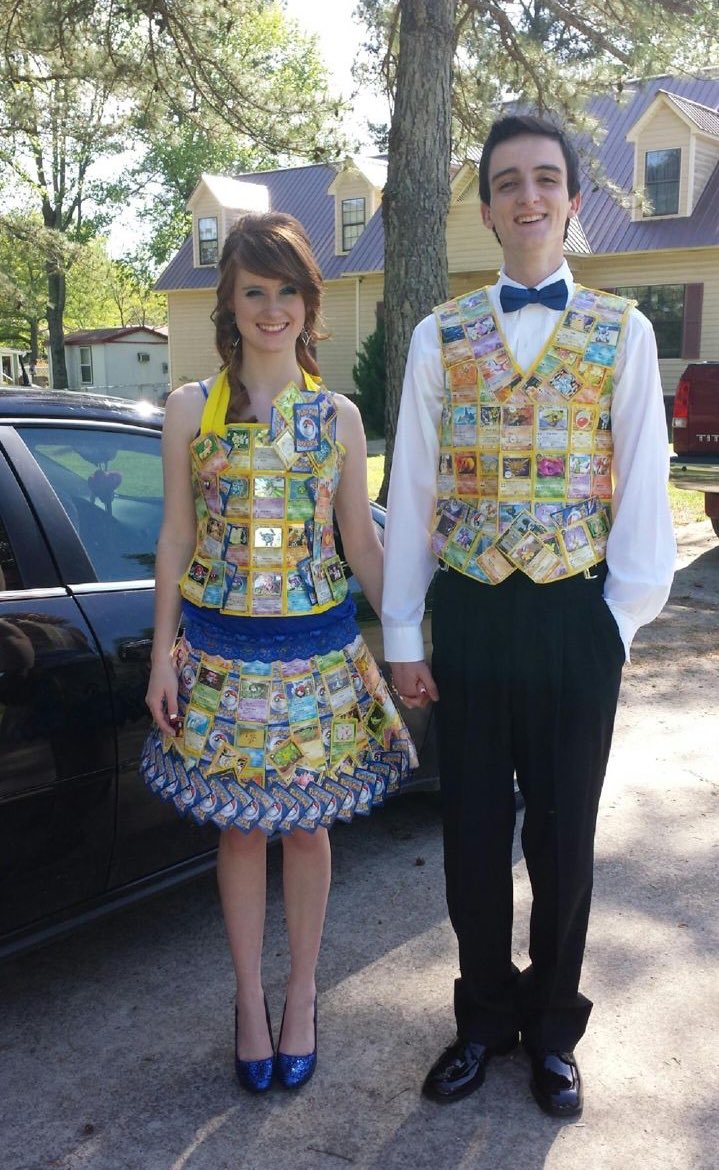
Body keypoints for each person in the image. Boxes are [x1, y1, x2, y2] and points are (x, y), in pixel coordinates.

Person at [381, 115, 675, 1117]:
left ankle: (551, 1031)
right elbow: (412, 488)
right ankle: (480, 1022)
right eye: (507, 181)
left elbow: (642, 485)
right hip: (468, 611)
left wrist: (615, 621)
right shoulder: (437, 334)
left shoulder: (622, 331)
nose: (527, 196)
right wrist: (405, 633)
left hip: (572, 616)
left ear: (571, 199)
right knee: (470, 836)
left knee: (562, 840)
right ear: (484, 208)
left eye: (545, 178)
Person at [142, 212, 416, 1094]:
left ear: (308, 301)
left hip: (315, 656)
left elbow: (361, 544)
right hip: (221, 656)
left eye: (286, 290)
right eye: (253, 291)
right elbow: (176, 538)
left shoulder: (337, 417)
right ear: (228, 301)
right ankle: (248, 1002)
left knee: (303, 831)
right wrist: (160, 656)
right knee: (239, 831)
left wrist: (411, 640)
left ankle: (301, 993)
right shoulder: (190, 408)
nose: (271, 308)